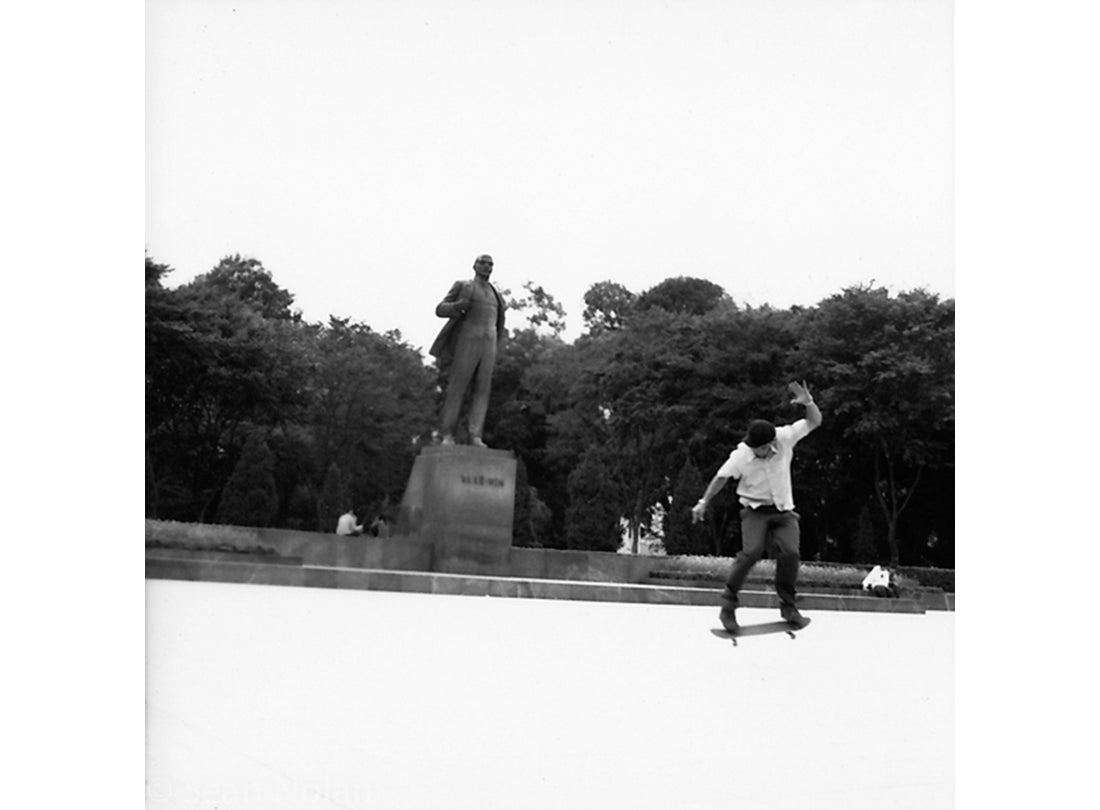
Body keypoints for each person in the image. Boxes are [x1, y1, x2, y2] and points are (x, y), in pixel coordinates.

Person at [691, 381, 822, 632]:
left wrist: (808, 402)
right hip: (754, 512)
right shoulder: (741, 455)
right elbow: (721, 477)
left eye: (760, 449)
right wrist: (703, 502)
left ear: (771, 443)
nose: (757, 453)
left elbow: (814, 421)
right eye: (754, 448)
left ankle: (788, 606)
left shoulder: (785, 437)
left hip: (783, 512)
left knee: (790, 553)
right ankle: (728, 607)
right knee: (751, 553)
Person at [428, 254, 506, 447]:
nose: (487, 267)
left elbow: (499, 322)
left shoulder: (496, 294)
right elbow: (440, 309)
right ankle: (447, 434)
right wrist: (456, 306)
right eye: (483, 263)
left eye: (490, 264)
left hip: (489, 342)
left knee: (483, 390)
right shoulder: (463, 286)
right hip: (468, 338)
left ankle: (475, 435)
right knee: (457, 388)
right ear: (474, 265)